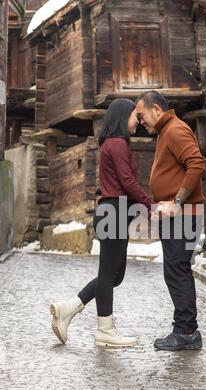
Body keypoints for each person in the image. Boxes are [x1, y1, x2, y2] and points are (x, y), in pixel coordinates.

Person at [50, 98, 153, 347]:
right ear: (121, 116)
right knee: (109, 275)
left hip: (114, 211)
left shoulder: (111, 143)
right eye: (134, 116)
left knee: (114, 276)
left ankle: (68, 308)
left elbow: (119, 181)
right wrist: (151, 205)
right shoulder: (116, 143)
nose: (138, 122)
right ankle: (104, 330)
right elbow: (127, 182)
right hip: (114, 211)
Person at [136, 91, 206, 351]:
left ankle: (187, 332)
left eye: (142, 115)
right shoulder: (167, 131)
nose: (140, 121)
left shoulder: (175, 130)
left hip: (183, 214)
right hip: (175, 216)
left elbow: (197, 164)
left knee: (177, 271)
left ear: (156, 109)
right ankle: (184, 329)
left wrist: (176, 202)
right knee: (175, 270)